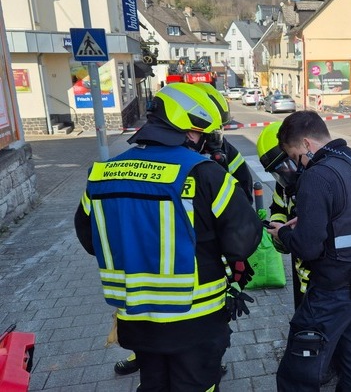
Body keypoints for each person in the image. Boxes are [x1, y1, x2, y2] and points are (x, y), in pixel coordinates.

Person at [75, 82, 262, 391]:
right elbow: (242, 241)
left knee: (153, 384)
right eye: (207, 134)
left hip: (135, 315)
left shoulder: (102, 174)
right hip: (195, 317)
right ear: (190, 130)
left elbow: (89, 237)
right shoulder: (205, 173)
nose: (208, 143)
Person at [267, 111, 351, 391]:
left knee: (297, 369)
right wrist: (308, 221)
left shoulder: (317, 176)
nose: (298, 165)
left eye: (295, 156)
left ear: (307, 144)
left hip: (333, 288)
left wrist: (283, 232)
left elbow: (308, 248)